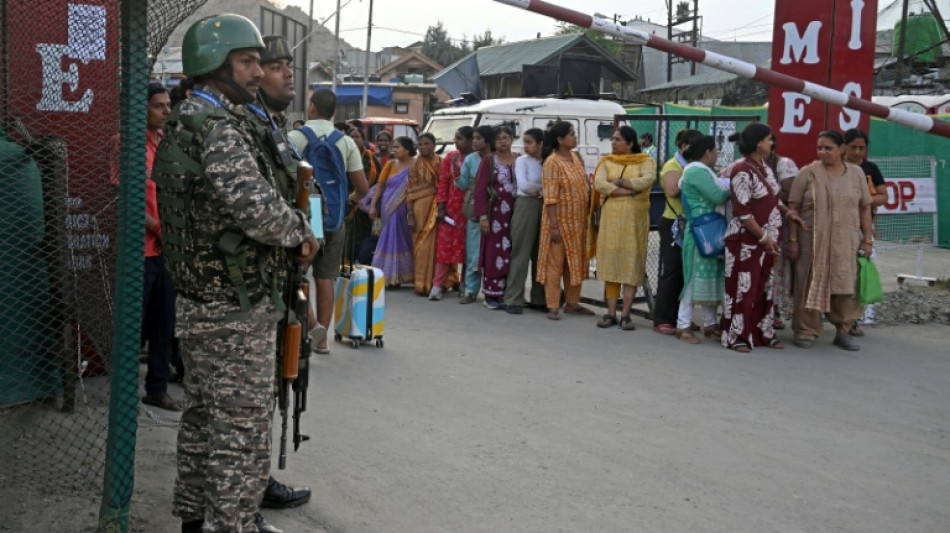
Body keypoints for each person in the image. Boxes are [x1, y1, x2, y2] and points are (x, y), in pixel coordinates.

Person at [154, 14, 318, 533]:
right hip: (234, 309)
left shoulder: (186, 118)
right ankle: (232, 524)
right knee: (240, 434)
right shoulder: (220, 129)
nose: (257, 71)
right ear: (215, 64)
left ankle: (194, 518)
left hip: (202, 301)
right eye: (247, 62)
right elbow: (260, 213)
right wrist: (302, 232)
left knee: (203, 423)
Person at [245, 34, 316, 512]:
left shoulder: (273, 127)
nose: (288, 73)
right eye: (276, 66)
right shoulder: (247, 128)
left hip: (278, 277)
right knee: (250, 400)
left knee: (273, 384)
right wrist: (299, 234)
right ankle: (246, 493)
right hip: (253, 283)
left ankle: (255, 480)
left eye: (289, 64)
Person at [288, 89, 369, 355]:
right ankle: (321, 340)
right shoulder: (345, 142)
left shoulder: (295, 137)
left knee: (296, 274)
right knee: (325, 278)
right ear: (334, 112)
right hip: (333, 216)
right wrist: (348, 200)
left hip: (305, 215)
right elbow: (363, 188)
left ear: (311, 108)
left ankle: (310, 325)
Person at [787, 130, 873, 351]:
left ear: (841, 149)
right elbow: (793, 208)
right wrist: (793, 240)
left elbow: (865, 207)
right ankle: (806, 330)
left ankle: (843, 330)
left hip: (846, 242)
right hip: (812, 242)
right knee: (808, 284)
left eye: (828, 148)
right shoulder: (807, 173)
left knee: (845, 284)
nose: (823, 152)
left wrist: (868, 239)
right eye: (820, 148)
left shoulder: (856, 173)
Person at [720, 124, 802, 352]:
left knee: (763, 288)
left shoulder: (764, 167)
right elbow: (742, 211)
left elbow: (772, 199)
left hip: (766, 241)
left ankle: (761, 333)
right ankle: (737, 336)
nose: (772, 143)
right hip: (745, 241)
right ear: (758, 144)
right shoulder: (742, 170)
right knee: (743, 289)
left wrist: (788, 213)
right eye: (768, 139)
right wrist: (764, 237)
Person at [129, 83, 181, 411]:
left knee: (165, 321)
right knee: (135, 323)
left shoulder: (165, 143)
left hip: (167, 251)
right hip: (141, 251)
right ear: (142, 109)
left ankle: (157, 387)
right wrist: (160, 229)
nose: (165, 111)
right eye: (158, 106)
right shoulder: (127, 145)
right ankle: (124, 388)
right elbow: (127, 197)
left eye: (167, 105)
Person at [591, 126, 656, 330]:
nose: (613, 142)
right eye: (612, 139)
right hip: (611, 220)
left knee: (630, 265)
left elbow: (646, 181)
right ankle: (610, 313)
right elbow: (600, 184)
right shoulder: (606, 161)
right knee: (612, 265)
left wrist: (618, 181)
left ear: (630, 143)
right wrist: (628, 192)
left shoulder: (646, 161)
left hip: (635, 221)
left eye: (617, 139)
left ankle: (626, 315)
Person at [675, 135, 730, 345]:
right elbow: (718, 196)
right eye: (715, 151)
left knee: (710, 278)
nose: (717, 155)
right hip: (701, 232)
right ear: (707, 152)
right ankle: (683, 325)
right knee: (693, 279)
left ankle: (710, 324)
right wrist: (732, 186)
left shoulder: (700, 171)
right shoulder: (697, 171)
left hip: (709, 231)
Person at [537, 122, 594, 320]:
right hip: (559, 223)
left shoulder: (577, 158)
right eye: (571, 134)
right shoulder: (552, 163)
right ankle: (553, 305)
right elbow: (550, 198)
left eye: (574, 133)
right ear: (560, 140)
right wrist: (554, 226)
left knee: (574, 264)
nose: (575, 137)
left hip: (577, 223)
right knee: (555, 265)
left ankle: (572, 303)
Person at [653, 129, 703, 335]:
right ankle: (663, 319)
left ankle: (682, 318)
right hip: (674, 223)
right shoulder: (672, 165)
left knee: (686, 272)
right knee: (672, 271)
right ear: (683, 146)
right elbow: (672, 190)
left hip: (690, 224)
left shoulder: (695, 166)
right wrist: (693, 180)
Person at [843, 128, 888, 335]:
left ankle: (855, 320)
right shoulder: (837, 167)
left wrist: (863, 200)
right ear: (844, 147)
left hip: (863, 229)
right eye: (853, 147)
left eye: (862, 148)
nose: (857, 152)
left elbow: (883, 196)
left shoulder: (870, 168)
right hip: (838, 228)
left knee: (861, 273)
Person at [504, 127, 548, 314]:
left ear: (540, 144)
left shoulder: (547, 162)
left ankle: (539, 298)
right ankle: (513, 298)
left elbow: (548, 185)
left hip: (544, 205)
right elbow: (524, 186)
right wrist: (542, 189)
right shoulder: (522, 161)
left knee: (541, 254)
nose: (526, 146)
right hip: (525, 205)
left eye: (529, 142)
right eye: (525, 142)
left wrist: (539, 190)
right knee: (520, 253)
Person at [474, 125, 518, 310]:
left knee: (513, 253)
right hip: (495, 216)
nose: (502, 141)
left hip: (516, 214)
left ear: (512, 139)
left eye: (505, 137)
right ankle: (491, 294)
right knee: (494, 252)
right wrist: (483, 217)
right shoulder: (489, 161)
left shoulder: (519, 159)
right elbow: (479, 190)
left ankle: (510, 293)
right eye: (498, 138)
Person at [431, 126, 473, 301]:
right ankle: (437, 285)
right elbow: (443, 183)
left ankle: (465, 285)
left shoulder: (477, 159)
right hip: (450, 210)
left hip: (469, 210)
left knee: (468, 249)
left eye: (460, 138)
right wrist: (441, 207)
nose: (456, 142)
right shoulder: (451, 157)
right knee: (444, 248)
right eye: (456, 138)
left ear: (470, 140)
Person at [368, 136, 416, 287]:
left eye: (397, 147)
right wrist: (372, 206)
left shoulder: (416, 165)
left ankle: (404, 275)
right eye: (393, 147)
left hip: (407, 209)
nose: (394, 150)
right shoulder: (390, 164)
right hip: (388, 207)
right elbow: (380, 186)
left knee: (405, 238)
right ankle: (388, 276)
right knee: (389, 236)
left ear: (407, 150)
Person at [456, 125, 494, 304]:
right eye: (474, 138)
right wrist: (456, 171)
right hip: (475, 208)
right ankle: (471, 290)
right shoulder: (471, 159)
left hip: (496, 207)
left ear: (488, 140)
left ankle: (494, 290)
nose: (474, 141)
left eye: (478, 138)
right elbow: (463, 185)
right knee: (474, 251)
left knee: (495, 251)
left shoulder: (497, 158)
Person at [407, 133, 443, 296]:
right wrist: (410, 214)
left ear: (434, 145)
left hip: (439, 207)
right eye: (420, 144)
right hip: (419, 209)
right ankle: (422, 283)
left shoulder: (442, 162)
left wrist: (443, 206)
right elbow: (410, 189)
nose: (423, 147)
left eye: (427, 143)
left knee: (437, 245)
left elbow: (446, 185)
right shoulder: (415, 164)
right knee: (421, 245)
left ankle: (438, 282)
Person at [344, 126, 379, 266]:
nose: (354, 139)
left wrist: (364, 199)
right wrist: (351, 197)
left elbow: (378, 182)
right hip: (347, 202)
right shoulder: (342, 156)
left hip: (366, 205)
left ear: (363, 139)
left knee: (364, 234)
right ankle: (346, 265)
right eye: (351, 137)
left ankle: (361, 265)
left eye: (357, 137)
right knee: (347, 236)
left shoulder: (371, 158)